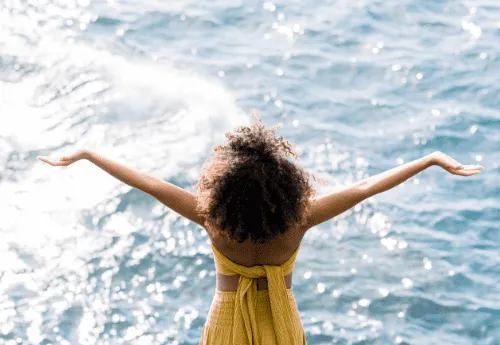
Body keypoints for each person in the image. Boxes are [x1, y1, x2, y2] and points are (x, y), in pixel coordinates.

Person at [38, 113, 483, 345]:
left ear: (224, 187)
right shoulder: (299, 219)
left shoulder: (211, 218)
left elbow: (150, 183)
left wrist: (89, 154)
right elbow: (365, 188)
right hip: (282, 324)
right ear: (283, 187)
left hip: (226, 324)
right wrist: (430, 160)